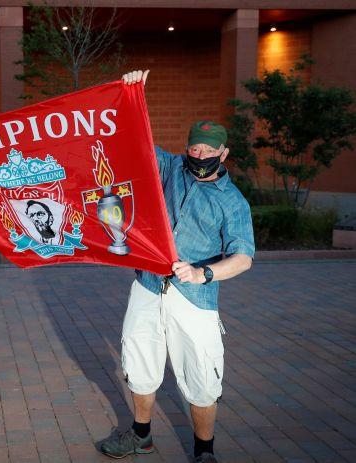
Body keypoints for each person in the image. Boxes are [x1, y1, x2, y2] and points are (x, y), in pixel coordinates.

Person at [98, 70, 255, 463]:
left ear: (224, 153)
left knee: (202, 378)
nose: (199, 155)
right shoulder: (170, 169)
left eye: (208, 149)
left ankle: (204, 452)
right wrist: (132, 94)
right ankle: (141, 435)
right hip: (149, 286)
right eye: (194, 148)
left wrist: (204, 272)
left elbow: (243, 257)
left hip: (195, 296)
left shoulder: (233, 202)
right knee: (138, 363)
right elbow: (134, 140)